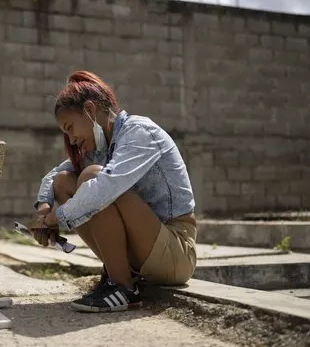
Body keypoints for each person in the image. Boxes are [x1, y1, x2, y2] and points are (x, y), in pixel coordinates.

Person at [29, 70, 197, 313]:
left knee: (93, 177)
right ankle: (116, 278)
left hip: (175, 252)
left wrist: (56, 218)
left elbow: (104, 189)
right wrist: (43, 212)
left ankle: (123, 288)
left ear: (90, 109)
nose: (72, 139)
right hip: (148, 250)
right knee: (65, 181)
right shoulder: (103, 146)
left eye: (70, 128)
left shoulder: (139, 132)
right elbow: (54, 177)